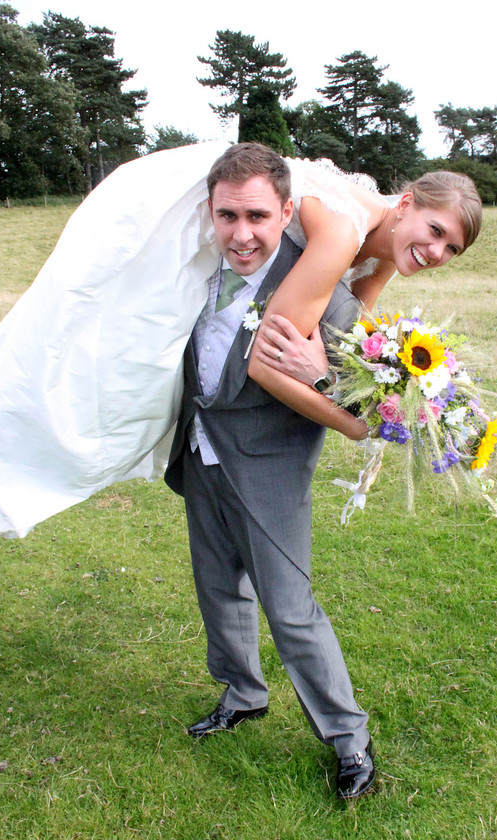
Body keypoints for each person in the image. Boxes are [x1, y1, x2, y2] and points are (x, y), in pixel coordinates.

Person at [0, 141, 481, 543]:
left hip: (242, 250)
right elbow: (268, 359)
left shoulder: (386, 252)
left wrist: (393, 385)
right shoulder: (343, 232)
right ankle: (15, 441)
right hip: (209, 223)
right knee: (99, 346)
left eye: (451, 249)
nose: (436, 253)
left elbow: (344, 340)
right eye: (435, 231)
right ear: (407, 203)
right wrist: (360, 426)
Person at [164, 143, 375, 801]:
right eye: (228, 216)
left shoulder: (324, 294)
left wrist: (317, 371)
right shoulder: (195, 269)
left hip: (271, 470)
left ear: (286, 211)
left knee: (290, 609)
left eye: (257, 215)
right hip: (201, 453)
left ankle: (350, 743)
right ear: (211, 213)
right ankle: (242, 692)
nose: (242, 233)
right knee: (217, 586)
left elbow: (366, 403)